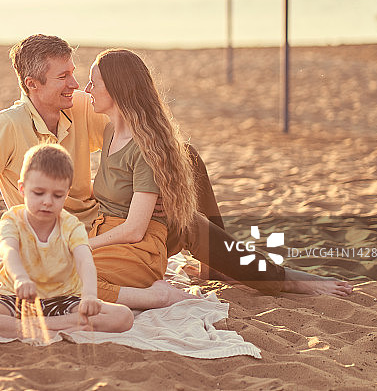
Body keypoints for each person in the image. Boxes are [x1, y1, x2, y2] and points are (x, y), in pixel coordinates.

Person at [83, 49, 354, 308]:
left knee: (187, 201)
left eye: (93, 84)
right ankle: (227, 267)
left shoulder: (143, 146)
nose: (86, 90)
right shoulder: (109, 133)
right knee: (186, 192)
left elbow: (135, 228)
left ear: (116, 89)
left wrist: (80, 243)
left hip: (140, 239)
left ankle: (282, 279)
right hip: (116, 233)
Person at [0, 34, 224, 274]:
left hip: (103, 221)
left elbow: (145, 139)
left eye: (73, 73)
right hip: (59, 235)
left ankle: (223, 268)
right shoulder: (6, 126)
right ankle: (244, 268)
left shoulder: (79, 106)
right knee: (188, 223)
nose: (75, 85)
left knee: (187, 159)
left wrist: (166, 184)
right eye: (63, 77)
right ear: (32, 84)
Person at [0, 144, 134, 338]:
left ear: (66, 193)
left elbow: (85, 260)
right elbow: (9, 251)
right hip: (17, 298)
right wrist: (21, 278)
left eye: (57, 195)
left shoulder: (70, 225)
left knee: (123, 316)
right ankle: (64, 326)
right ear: (22, 188)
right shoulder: (13, 220)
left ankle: (34, 327)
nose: (47, 201)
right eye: (39, 193)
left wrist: (90, 295)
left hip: (64, 300)